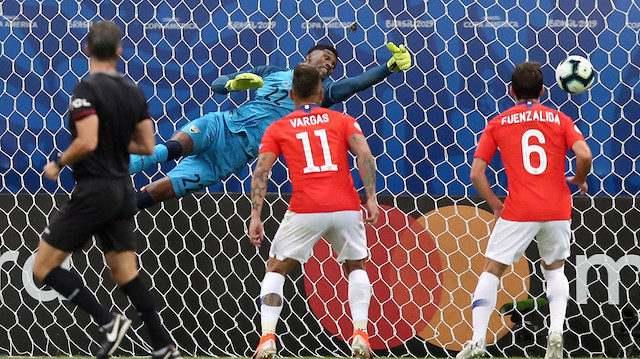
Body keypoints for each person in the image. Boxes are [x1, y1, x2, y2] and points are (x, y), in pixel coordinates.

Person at [32, 21, 181, 359]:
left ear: (86, 50)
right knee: (125, 274)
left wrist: (58, 163)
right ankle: (163, 346)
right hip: (121, 191)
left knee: (43, 268)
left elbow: (87, 140)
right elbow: (147, 146)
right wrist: (114, 141)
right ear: (119, 52)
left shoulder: (85, 89)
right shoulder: (134, 92)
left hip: (95, 190)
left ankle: (106, 320)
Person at [129, 42, 411, 210]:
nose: (329, 65)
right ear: (307, 58)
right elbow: (216, 85)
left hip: (232, 157)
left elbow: (357, 84)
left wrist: (389, 67)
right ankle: (108, 169)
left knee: (158, 192)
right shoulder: (271, 73)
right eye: (325, 57)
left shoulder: (322, 95)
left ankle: (106, 211)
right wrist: (231, 84)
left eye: (333, 64)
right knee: (174, 147)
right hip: (221, 126)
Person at [456, 62, 593, 359]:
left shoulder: (498, 122)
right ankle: (555, 331)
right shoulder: (560, 119)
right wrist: (579, 179)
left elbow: (476, 174)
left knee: (492, 270)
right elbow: (584, 154)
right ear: (543, 91)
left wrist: (495, 204)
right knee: (554, 269)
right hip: (557, 208)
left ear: (511, 91)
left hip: (519, 209)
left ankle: (478, 340)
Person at [247, 63, 379, 359]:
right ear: (321, 93)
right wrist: (370, 197)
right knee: (356, 266)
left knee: (276, 270)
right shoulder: (342, 120)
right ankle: (360, 333)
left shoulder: (278, 127)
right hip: (346, 205)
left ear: (291, 93)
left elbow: (261, 172)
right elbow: (365, 155)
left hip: (305, 208)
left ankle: (267, 338)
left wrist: (256, 216)